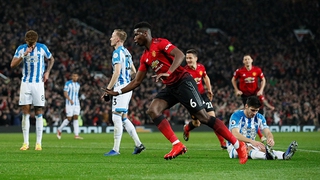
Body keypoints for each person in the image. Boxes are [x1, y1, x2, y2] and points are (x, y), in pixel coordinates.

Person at [105, 22, 247, 163]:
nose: (134, 38)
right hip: (171, 87)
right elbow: (136, 81)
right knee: (153, 110)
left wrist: (169, 72)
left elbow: (180, 55)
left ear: (145, 34)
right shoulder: (145, 57)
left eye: (136, 34)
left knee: (203, 118)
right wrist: (117, 92)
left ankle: (238, 145)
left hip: (184, 81)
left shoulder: (160, 43)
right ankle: (177, 145)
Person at [102, 29, 145, 156]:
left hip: (120, 88)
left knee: (116, 117)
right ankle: (138, 144)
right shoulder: (127, 52)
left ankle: (115, 149)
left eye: (112, 36)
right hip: (128, 87)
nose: (110, 38)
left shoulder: (116, 53)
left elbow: (117, 72)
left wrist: (108, 90)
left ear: (118, 39)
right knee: (124, 118)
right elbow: (133, 71)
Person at [11, 30, 55, 150]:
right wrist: (24, 54)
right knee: (25, 111)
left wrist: (47, 72)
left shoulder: (42, 48)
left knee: (38, 111)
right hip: (26, 83)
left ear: (36, 40)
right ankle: (26, 143)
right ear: (26, 41)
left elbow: (51, 59)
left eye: (33, 43)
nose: (32, 45)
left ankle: (38, 143)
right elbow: (12, 65)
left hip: (38, 84)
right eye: (30, 43)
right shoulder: (21, 49)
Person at [227, 96, 298, 160]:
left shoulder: (259, 117)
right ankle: (266, 156)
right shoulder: (236, 116)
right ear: (246, 106)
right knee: (246, 148)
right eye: (252, 110)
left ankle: (283, 155)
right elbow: (235, 134)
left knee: (263, 148)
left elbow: (267, 132)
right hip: (234, 145)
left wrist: (270, 138)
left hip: (251, 144)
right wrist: (252, 141)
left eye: (257, 110)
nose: (255, 113)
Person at [182, 49, 226, 149]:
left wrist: (209, 89)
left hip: (203, 95)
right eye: (187, 58)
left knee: (212, 119)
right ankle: (187, 128)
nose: (188, 60)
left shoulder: (201, 67)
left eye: (190, 58)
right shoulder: (184, 71)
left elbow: (205, 77)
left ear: (196, 58)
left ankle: (222, 143)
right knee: (196, 123)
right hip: (192, 99)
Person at [231, 54, 275, 142]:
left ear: (252, 60)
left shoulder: (257, 70)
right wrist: (237, 90)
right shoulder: (239, 71)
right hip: (245, 95)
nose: (247, 60)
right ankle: (258, 135)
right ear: (243, 62)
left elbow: (263, 79)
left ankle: (260, 135)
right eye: (245, 59)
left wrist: (261, 90)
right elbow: (233, 79)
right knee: (249, 113)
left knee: (257, 114)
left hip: (255, 94)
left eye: (248, 59)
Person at [57, 72, 83, 140]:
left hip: (77, 103)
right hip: (69, 103)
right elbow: (65, 92)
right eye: (74, 76)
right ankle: (59, 129)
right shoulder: (68, 83)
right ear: (72, 77)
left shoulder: (78, 85)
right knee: (69, 118)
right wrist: (69, 99)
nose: (75, 77)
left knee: (76, 117)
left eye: (76, 76)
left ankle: (76, 135)